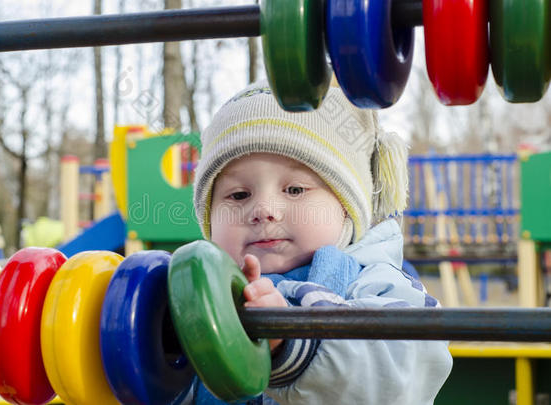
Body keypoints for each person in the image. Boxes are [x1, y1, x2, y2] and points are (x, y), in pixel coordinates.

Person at [186, 81, 452, 404]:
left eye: (295, 190)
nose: (263, 211)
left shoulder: (375, 282)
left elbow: (402, 374)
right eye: (239, 194)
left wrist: (292, 345)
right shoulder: (195, 296)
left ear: (346, 207)